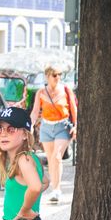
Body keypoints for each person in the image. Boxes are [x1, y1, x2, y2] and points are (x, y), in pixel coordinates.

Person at [28, 66, 77, 204]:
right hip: (46, 127)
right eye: (54, 75)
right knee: (51, 159)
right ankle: (54, 190)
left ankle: (57, 189)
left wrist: (77, 126)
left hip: (62, 126)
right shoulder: (41, 92)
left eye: (59, 75)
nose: (57, 78)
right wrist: (30, 125)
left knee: (57, 156)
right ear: (47, 76)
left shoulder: (66, 90)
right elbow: (35, 111)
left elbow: (74, 110)